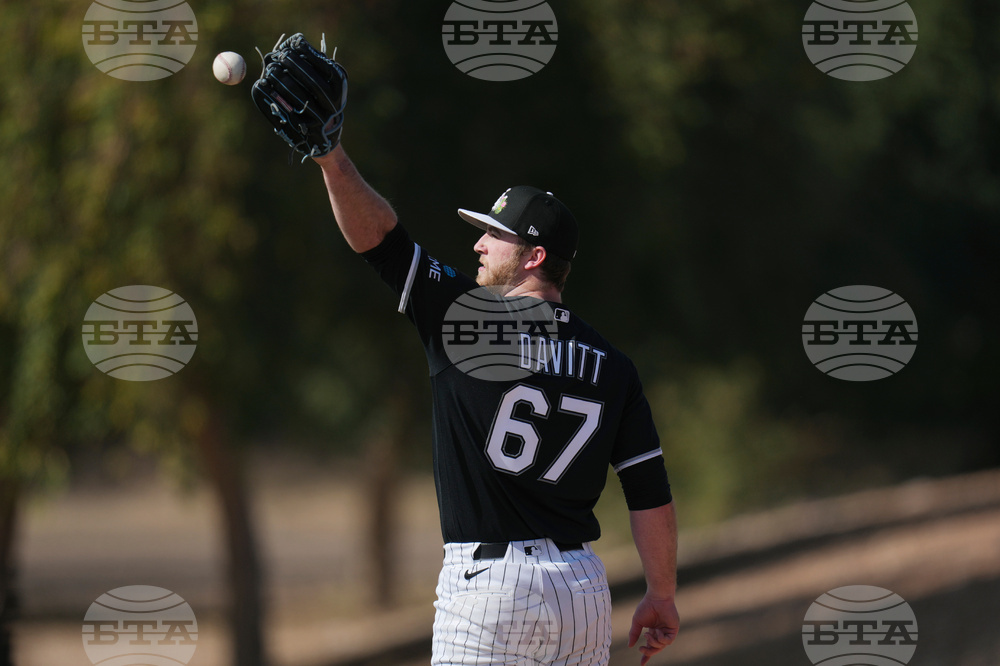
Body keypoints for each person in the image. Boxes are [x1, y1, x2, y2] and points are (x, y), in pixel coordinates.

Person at [313, 144, 679, 665]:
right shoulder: (613, 364)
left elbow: (382, 242)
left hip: (494, 589)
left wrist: (332, 160)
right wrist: (661, 594)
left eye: (496, 235)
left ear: (535, 258)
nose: (480, 244)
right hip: (581, 591)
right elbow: (648, 491)